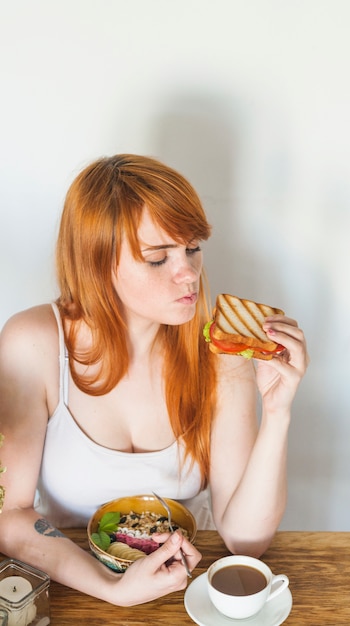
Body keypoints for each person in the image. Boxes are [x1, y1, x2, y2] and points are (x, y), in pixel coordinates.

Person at [0, 154, 309, 606]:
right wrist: (111, 589)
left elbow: (246, 541)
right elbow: (9, 516)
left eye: (192, 248)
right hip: (70, 587)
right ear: (97, 264)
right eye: (157, 258)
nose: (188, 273)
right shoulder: (34, 343)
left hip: (186, 591)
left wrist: (278, 414)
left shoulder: (219, 350)